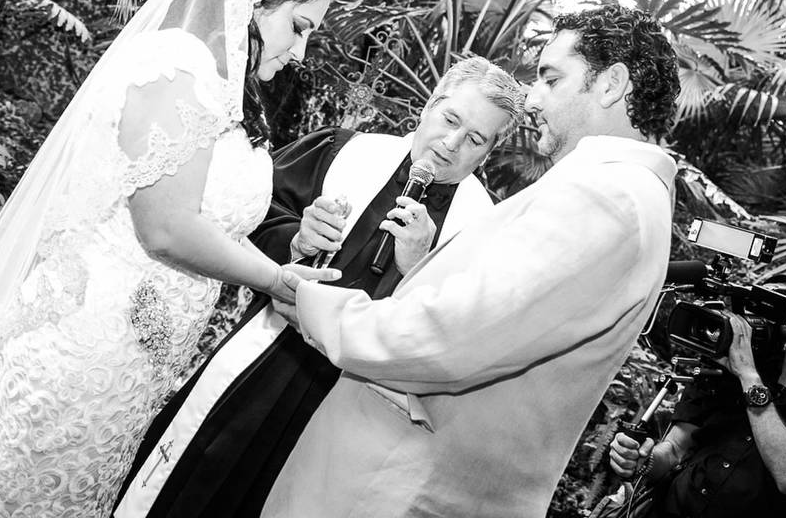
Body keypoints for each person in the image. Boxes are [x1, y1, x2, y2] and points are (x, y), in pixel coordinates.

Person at [0, 0, 341, 518]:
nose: (299, 50)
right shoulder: (179, 69)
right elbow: (166, 228)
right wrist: (276, 280)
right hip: (85, 346)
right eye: (298, 26)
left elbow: (214, 219)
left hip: (130, 366)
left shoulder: (228, 91)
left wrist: (292, 245)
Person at [263, 4, 680, 518]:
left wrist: (311, 304)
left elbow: (452, 337)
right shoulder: (619, 194)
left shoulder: (610, 200)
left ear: (612, 84)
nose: (533, 98)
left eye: (551, 78)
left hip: (402, 485)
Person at [114, 56, 526, 518]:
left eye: (474, 139)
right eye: (450, 119)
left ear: (487, 153)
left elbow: (453, 339)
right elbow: (242, 217)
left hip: (351, 408)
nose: (451, 144)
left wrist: (418, 270)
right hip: (268, 358)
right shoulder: (342, 151)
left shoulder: (481, 229)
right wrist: (295, 238)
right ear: (429, 105)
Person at [609, 314, 786, 517]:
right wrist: (642, 460)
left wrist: (748, 377)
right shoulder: (732, 369)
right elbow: (674, 450)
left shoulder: (745, 371)